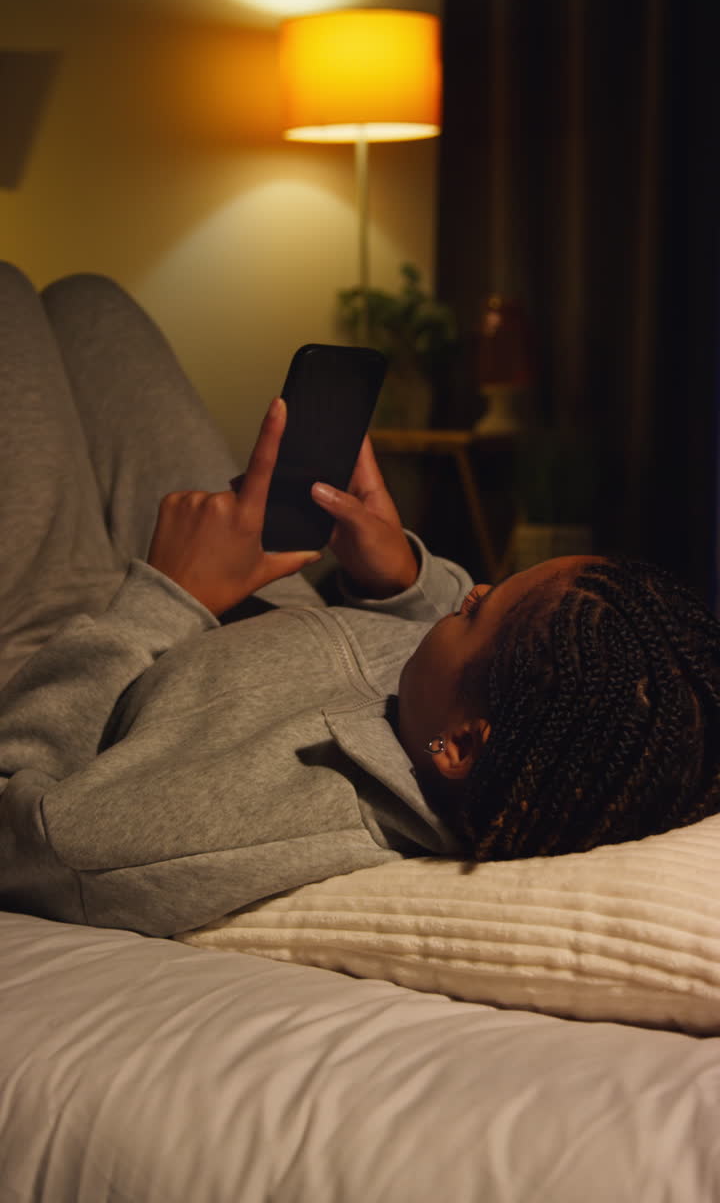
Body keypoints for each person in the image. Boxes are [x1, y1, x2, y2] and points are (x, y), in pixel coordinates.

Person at [1, 263, 719, 938]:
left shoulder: (262, 823)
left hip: (75, 640)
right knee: (91, 305)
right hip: (241, 577)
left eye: (474, 612)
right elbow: (452, 664)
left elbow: (30, 843)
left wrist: (167, 598)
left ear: (461, 747)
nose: (468, 589)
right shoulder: (477, 717)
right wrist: (399, 580)